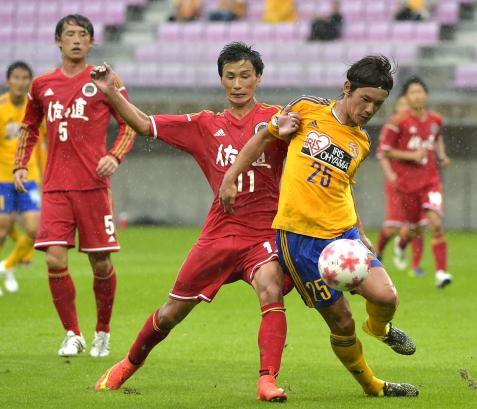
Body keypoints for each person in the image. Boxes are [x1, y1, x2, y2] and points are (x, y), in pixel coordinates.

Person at [91, 42, 292, 402]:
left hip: (263, 235)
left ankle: (267, 381)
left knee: (271, 288)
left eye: (245, 75)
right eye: (230, 76)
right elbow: (141, 123)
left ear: (259, 78)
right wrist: (112, 93)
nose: (238, 83)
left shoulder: (277, 120)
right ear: (221, 80)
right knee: (171, 314)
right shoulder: (204, 124)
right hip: (219, 234)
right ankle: (127, 364)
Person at [220, 55, 419, 398]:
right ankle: (372, 386)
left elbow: (342, 187)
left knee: (387, 296)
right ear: (347, 89)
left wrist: (361, 231)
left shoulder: (361, 142)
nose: (370, 109)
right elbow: (263, 138)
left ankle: (380, 328)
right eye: (365, 100)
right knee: (341, 322)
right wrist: (230, 177)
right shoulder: (307, 108)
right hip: (300, 242)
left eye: (378, 104)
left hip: (344, 234)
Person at [13, 14, 136, 357]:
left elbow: (129, 123)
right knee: (54, 260)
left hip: (93, 187)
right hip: (55, 187)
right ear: (58, 41)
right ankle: (72, 333)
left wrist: (115, 156)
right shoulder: (41, 85)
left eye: (83, 34)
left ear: (92, 42)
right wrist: (20, 165)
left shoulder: (104, 80)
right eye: (70, 34)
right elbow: (29, 126)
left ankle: (103, 332)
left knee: (100, 265)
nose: (77, 40)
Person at [379, 76, 452, 288]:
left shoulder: (435, 120)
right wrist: (411, 156)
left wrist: (442, 155)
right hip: (406, 185)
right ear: (406, 97)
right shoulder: (397, 122)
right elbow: (385, 150)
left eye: (421, 91)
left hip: (431, 181)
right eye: (413, 92)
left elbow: (436, 138)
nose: (418, 96)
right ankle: (401, 245)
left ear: (426, 94)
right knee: (413, 230)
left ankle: (441, 273)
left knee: (435, 223)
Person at [0, 61, 43, 295]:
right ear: (8, 81)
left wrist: (47, 175)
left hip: (30, 177)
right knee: (2, 230)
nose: (20, 82)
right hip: (3, 178)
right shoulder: (1, 108)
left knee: (35, 230)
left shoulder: (35, 107)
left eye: (25, 77)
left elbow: (42, 144)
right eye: (15, 77)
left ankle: (7, 266)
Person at [375, 95, 426, 276]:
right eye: (402, 106)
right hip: (398, 181)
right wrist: (391, 174)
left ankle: (416, 265)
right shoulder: (393, 127)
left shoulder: (419, 127)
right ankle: (378, 253)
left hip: (419, 182)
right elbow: (383, 153)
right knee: (393, 226)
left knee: (418, 226)